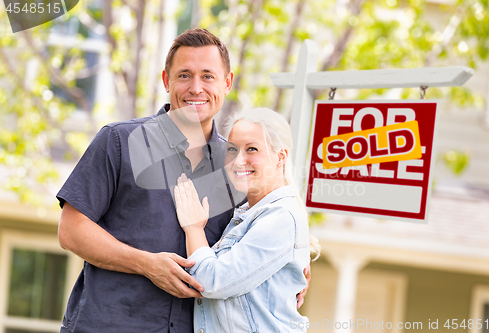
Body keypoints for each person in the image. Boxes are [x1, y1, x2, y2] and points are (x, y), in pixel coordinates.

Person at [57, 29, 310, 333]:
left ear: (226, 83)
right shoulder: (119, 141)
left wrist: (291, 273)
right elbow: (71, 231)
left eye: (208, 76)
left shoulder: (238, 167)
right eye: (184, 75)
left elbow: (261, 242)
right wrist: (147, 265)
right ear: (166, 81)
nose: (196, 88)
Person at [174, 108, 320, 332]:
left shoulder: (282, 217)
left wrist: (194, 228)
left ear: (280, 157)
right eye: (232, 149)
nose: (238, 160)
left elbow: (212, 281)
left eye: (252, 149)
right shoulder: (246, 213)